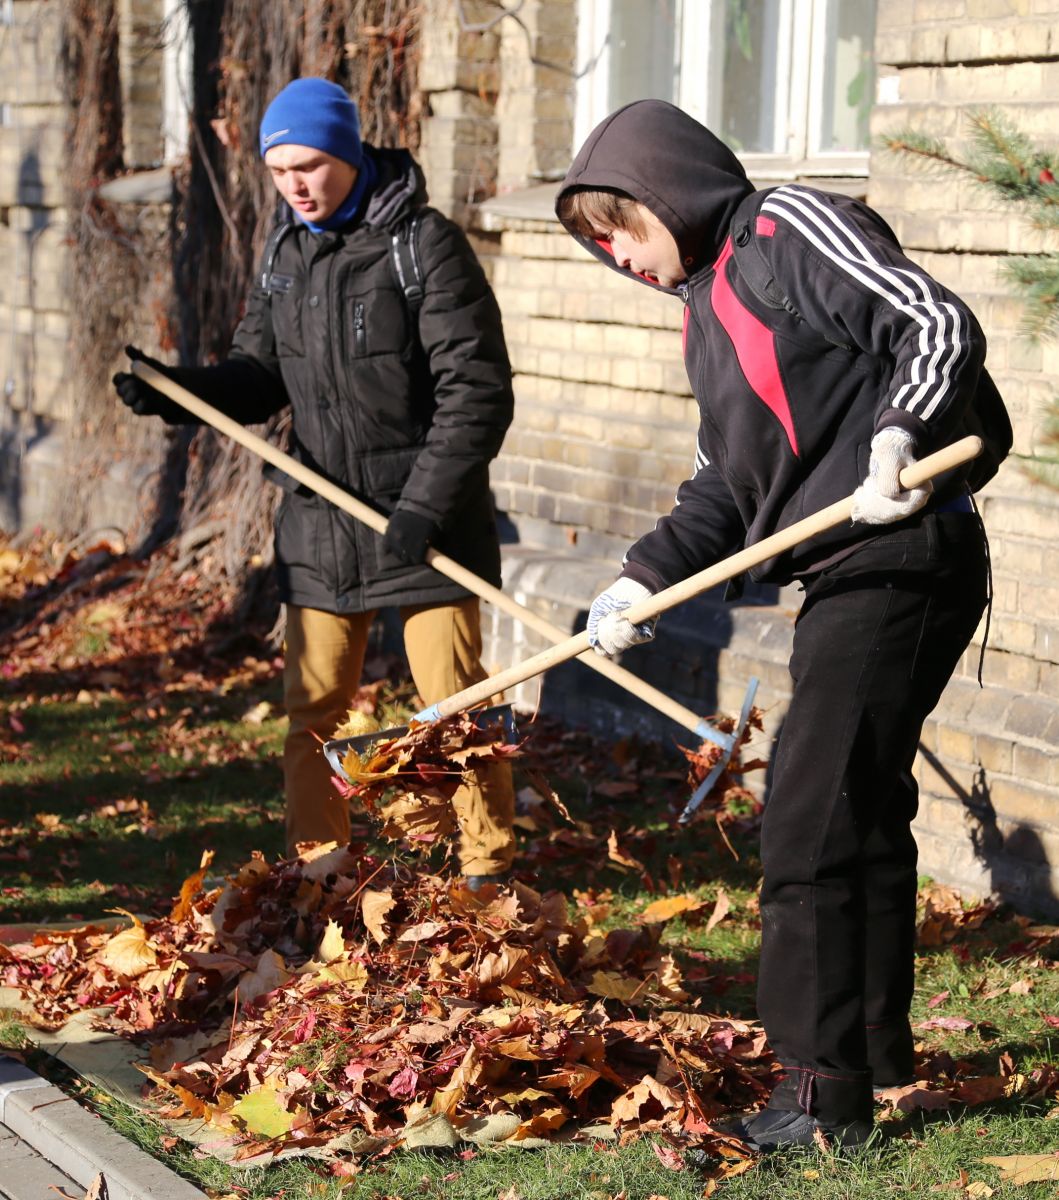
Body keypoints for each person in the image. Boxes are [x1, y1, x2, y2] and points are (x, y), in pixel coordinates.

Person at [556, 100, 1009, 1150]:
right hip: (846, 574)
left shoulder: (785, 229)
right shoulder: (708, 306)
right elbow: (728, 485)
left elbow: (934, 325)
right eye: (596, 246)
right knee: (858, 804)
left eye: (620, 228)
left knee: (807, 825)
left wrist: (901, 429)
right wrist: (640, 581)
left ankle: (817, 1098)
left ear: (665, 191)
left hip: (905, 551)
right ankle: (873, 1055)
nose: (617, 257)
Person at [114, 77, 516, 887]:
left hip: (424, 522)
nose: (295, 184)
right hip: (322, 522)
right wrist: (179, 390)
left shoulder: (422, 245)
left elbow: (478, 391)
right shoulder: (285, 254)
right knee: (313, 716)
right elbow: (259, 375)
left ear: (348, 153)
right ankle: (319, 878)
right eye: (278, 170)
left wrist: (424, 506)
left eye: (310, 165)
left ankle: (487, 878)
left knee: (455, 708)